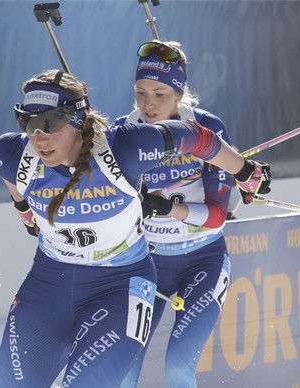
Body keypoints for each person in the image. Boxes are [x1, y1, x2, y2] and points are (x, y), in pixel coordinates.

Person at [0, 69, 271, 387]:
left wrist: (245, 171)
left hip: (117, 289)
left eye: (49, 122)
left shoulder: (126, 148)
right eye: (27, 121)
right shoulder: (12, 154)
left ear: (77, 119)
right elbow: (10, 177)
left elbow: (198, 137)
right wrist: (26, 214)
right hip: (48, 287)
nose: (38, 136)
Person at [112, 40, 259, 387]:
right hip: (145, 264)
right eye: (140, 92)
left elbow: (217, 216)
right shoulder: (123, 133)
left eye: (160, 94)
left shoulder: (207, 129)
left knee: (178, 369)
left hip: (202, 260)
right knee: (122, 371)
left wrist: (167, 207)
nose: (148, 104)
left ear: (179, 94)